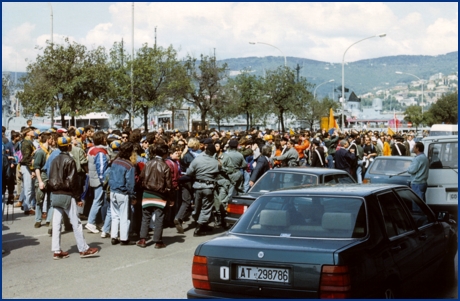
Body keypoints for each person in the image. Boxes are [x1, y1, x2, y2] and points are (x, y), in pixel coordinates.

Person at [48, 137, 99, 259]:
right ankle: (83, 248)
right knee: (76, 222)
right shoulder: (70, 160)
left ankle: (56, 250)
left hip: (55, 193)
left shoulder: (54, 159)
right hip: (67, 193)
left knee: (56, 223)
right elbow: (73, 181)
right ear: (69, 146)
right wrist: (78, 198)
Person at [136, 144, 172, 249]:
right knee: (159, 217)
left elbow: (141, 177)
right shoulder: (165, 166)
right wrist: (171, 197)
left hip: (147, 193)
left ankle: (142, 239)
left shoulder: (147, 163)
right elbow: (169, 184)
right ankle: (158, 241)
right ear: (165, 154)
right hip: (160, 194)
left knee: (145, 217)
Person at [186, 143, 219, 237]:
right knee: (206, 208)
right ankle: (199, 228)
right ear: (213, 153)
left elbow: (189, 172)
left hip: (197, 186)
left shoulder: (197, 159)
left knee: (197, 206)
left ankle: (199, 223)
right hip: (209, 187)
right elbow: (219, 172)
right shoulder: (215, 162)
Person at [108, 142, 136, 245]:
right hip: (123, 193)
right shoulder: (129, 166)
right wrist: (133, 195)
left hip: (113, 190)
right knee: (125, 216)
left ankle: (114, 236)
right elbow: (130, 183)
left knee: (115, 215)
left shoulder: (115, 162)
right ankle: (124, 238)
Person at [85, 131, 111, 234]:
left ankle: (96, 221)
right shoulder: (101, 152)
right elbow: (101, 168)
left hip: (93, 178)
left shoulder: (92, 149)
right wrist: (103, 181)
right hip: (99, 180)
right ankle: (91, 222)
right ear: (102, 139)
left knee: (98, 200)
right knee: (98, 201)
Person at [18, 127, 36, 215]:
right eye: (32, 131)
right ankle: (27, 208)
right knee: (28, 188)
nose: (34, 132)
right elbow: (26, 158)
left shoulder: (29, 142)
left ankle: (27, 205)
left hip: (29, 166)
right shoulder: (25, 143)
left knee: (31, 188)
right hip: (27, 166)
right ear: (28, 133)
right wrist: (32, 169)